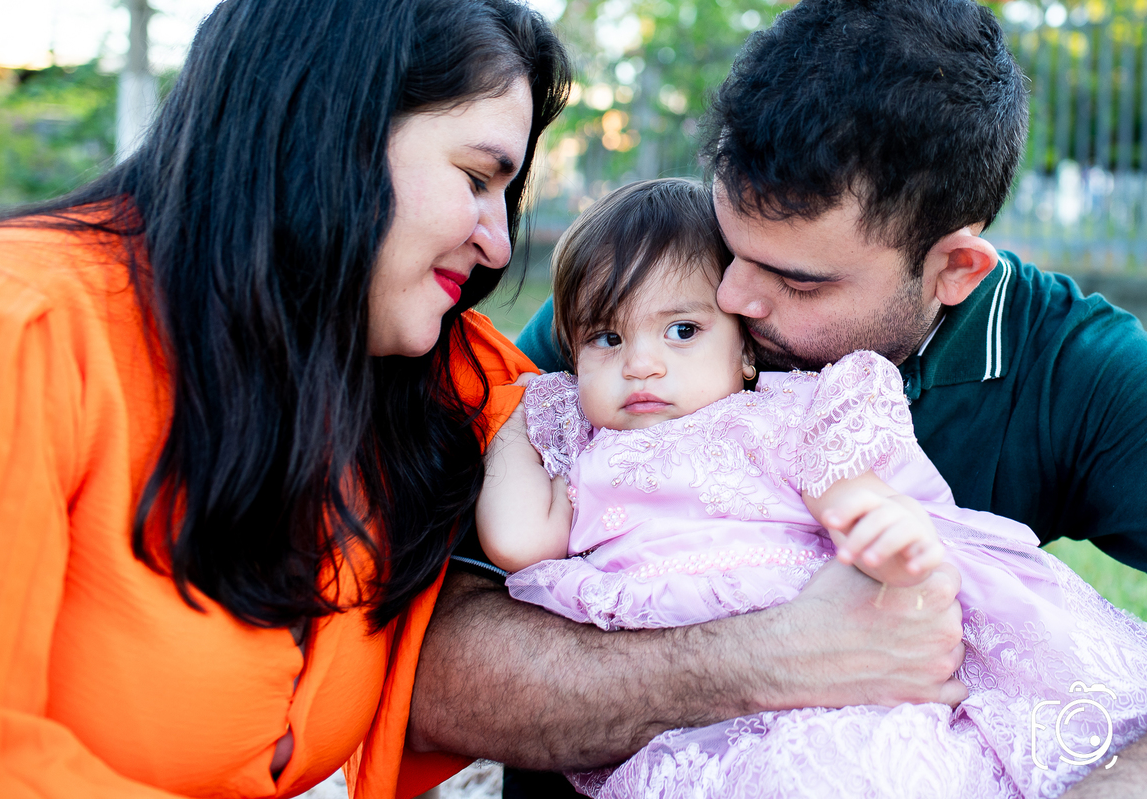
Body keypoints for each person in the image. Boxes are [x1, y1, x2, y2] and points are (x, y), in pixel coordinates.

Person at [407, 0, 1147, 796]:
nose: (733, 294)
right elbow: (425, 680)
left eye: (798, 280)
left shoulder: (1081, 369)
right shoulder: (643, 308)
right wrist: (771, 656)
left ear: (954, 269)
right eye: (733, 243)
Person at [0, 0, 570, 797]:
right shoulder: (7, 322)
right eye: (477, 178)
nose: (499, 243)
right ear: (332, 128)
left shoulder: (423, 371)